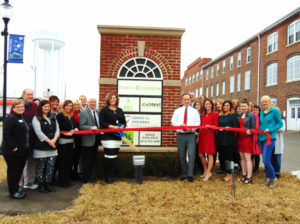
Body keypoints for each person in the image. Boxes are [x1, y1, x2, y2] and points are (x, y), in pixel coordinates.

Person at [10, 89, 38, 190]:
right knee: (21, 163)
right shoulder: (18, 104)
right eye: (28, 94)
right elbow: (11, 123)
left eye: (32, 94)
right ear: (23, 95)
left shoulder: (34, 105)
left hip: (32, 139)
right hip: (20, 140)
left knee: (31, 162)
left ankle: (29, 182)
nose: (30, 96)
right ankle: (19, 184)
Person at [2, 100, 31, 199]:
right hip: (12, 152)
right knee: (13, 171)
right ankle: (13, 192)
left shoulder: (24, 118)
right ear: (13, 108)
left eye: (22, 106)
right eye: (18, 107)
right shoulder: (11, 119)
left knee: (19, 171)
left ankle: (16, 187)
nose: (20, 108)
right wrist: (13, 147)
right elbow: (6, 134)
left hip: (23, 151)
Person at [172, 93, 200, 182]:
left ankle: (190, 175)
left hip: (191, 135)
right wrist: (180, 125)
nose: (186, 101)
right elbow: (173, 121)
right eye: (185, 99)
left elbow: (198, 123)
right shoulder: (177, 111)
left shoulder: (195, 111)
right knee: (182, 155)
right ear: (182, 100)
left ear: (190, 100)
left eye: (188, 99)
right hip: (181, 135)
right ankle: (184, 173)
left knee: (191, 155)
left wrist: (191, 128)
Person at [32, 100, 60, 193]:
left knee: (50, 167)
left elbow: (57, 130)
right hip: (41, 147)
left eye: (48, 107)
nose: (47, 108)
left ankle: (48, 184)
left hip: (52, 146)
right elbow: (38, 132)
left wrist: (54, 140)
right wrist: (50, 142)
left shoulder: (53, 117)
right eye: (45, 107)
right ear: (40, 107)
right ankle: (41, 185)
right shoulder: (36, 118)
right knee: (41, 166)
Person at [100, 92, 126, 184]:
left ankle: (111, 175)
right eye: (111, 98)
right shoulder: (104, 110)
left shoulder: (120, 110)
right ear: (108, 100)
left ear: (116, 100)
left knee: (114, 157)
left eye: (114, 98)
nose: (113, 100)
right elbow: (102, 123)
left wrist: (122, 126)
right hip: (107, 137)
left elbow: (124, 122)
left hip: (117, 137)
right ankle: (108, 177)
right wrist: (113, 127)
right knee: (109, 156)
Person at [258, 95, 283, 188]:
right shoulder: (261, 112)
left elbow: (280, 123)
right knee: (265, 160)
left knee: (266, 160)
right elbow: (260, 124)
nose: (264, 103)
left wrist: (271, 129)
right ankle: (268, 179)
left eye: (266, 101)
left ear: (269, 102)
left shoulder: (275, 111)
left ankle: (274, 179)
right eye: (263, 102)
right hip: (261, 138)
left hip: (270, 138)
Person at [56, 100, 78, 188]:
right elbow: (57, 129)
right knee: (62, 162)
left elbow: (74, 127)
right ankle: (61, 181)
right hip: (62, 142)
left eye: (70, 106)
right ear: (64, 106)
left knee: (69, 162)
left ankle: (66, 180)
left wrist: (75, 129)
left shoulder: (72, 116)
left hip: (70, 141)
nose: (69, 107)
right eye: (67, 106)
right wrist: (65, 133)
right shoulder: (60, 115)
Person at [216, 100, 239, 181]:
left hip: (229, 140)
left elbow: (236, 127)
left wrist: (231, 128)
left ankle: (229, 174)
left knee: (229, 157)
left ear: (230, 107)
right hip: (221, 139)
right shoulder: (220, 115)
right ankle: (225, 171)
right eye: (224, 105)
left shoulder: (232, 116)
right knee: (222, 157)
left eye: (227, 105)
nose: (225, 107)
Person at [79, 98, 100, 183]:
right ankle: (85, 178)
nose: (93, 103)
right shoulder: (84, 112)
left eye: (94, 102)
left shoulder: (98, 112)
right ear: (88, 103)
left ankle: (92, 176)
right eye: (91, 102)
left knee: (93, 159)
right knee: (87, 160)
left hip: (96, 139)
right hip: (87, 140)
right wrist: (91, 128)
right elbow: (81, 126)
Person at [198, 98, 218, 181]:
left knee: (210, 154)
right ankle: (205, 170)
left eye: (209, 104)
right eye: (206, 104)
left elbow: (216, 126)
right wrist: (198, 136)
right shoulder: (202, 114)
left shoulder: (214, 114)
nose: (207, 105)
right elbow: (200, 126)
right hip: (202, 135)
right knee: (201, 154)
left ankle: (209, 172)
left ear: (211, 105)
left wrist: (209, 126)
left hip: (210, 135)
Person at [237, 99, 256, 184]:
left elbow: (254, 129)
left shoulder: (251, 115)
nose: (243, 108)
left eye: (245, 106)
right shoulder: (239, 115)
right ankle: (244, 175)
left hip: (247, 138)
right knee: (242, 158)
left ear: (248, 106)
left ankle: (249, 177)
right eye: (242, 106)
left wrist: (250, 132)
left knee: (247, 158)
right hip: (239, 138)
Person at [272, 109, 285, 179]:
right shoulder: (272, 121)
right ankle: (272, 171)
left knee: (277, 158)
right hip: (271, 141)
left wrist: (273, 128)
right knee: (271, 157)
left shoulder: (281, 121)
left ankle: (277, 172)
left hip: (278, 142)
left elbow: (282, 129)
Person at [71, 99, 82, 180]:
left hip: (81, 138)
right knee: (73, 157)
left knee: (77, 157)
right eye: (75, 105)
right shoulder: (71, 114)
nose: (76, 106)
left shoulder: (82, 113)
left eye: (78, 105)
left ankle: (76, 172)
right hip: (73, 138)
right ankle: (72, 174)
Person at [193, 99, 204, 175]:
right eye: (196, 105)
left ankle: (202, 168)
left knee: (200, 153)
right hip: (193, 134)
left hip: (201, 135)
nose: (197, 106)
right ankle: (195, 168)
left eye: (198, 105)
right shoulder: (192, 114)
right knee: (194, 153)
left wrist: (199, 134)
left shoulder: (202, 115)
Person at [252, 105, 261, 174]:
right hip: (252, 136)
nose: (255, 111)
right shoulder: (252, 117)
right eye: (254, 110)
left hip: (258, 136)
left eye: (257, 110)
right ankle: (252, 167)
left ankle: (256, 168)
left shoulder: (260, 118)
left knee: (257, 154)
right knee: (252, 153)